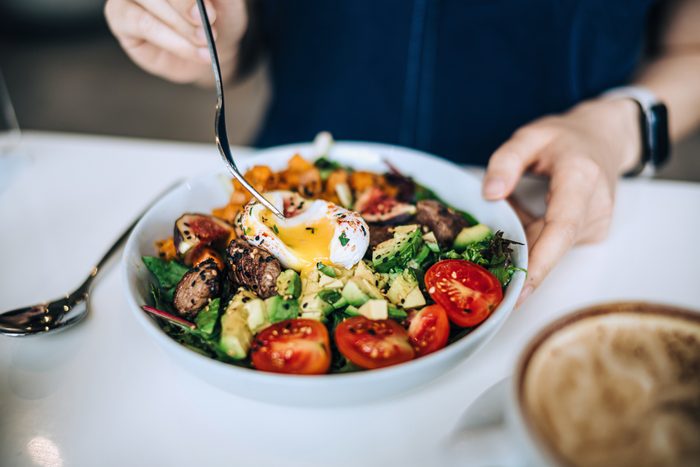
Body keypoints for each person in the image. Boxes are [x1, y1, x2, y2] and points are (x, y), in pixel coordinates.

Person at [104, 0, 700, 303]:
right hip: (287, 174)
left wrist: (619, 127)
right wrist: (206, 33)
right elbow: (246, 30)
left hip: (559, 227)